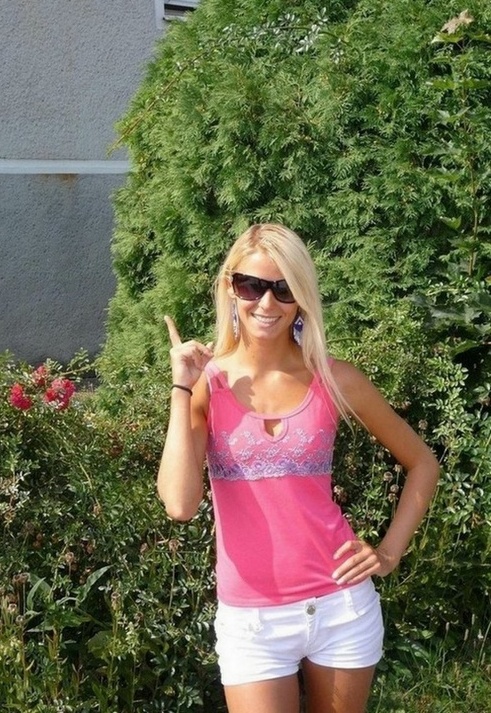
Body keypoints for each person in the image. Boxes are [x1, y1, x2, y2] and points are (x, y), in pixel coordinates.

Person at [158, 223, 439, 713]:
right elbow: (180, 504)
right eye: (252, 285)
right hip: (252, 623)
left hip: (342, 607)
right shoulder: (209, 383)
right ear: (230, 287)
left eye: (284, 289)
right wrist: (182, 387)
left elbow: (422, 463)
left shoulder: (334, 379)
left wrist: (389, 552)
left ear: (301, 297)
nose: (267, 303)